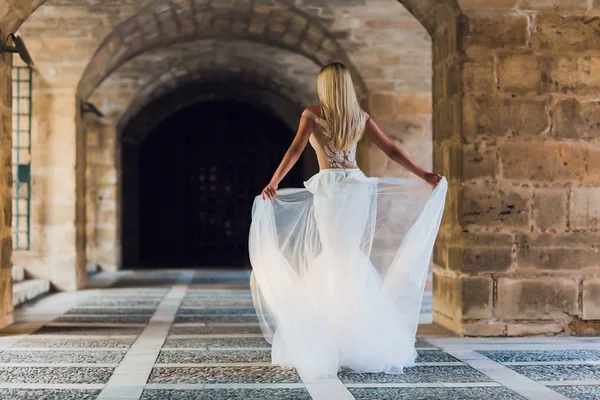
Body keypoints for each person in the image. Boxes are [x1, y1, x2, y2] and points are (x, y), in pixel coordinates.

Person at [248, 62, 447, 380]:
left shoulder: (312, 113)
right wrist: (423, 174)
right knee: (347, 256)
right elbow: (392, 150)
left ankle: (335, 335)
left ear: (325, 86)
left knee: (335, 254)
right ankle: (354, 333)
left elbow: (296, 149)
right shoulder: (359, 117)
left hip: (331, 190)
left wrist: (273, 181)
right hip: (355, 189)